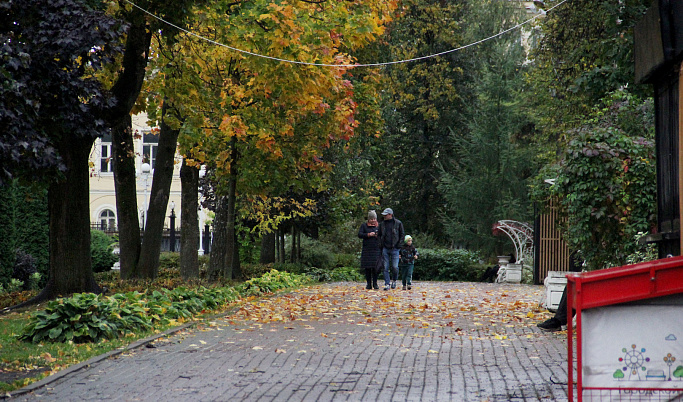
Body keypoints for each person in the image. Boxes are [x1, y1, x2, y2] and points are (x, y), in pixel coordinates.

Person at [377, 208, 404, 291]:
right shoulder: (382, 224)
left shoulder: (398, 223)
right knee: (385, 267)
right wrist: (380, 244)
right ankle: (387, 283)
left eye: (386, 215)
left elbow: (402, 234)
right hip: (385, 248)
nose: (384, 216)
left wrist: (399, 245)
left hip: (395, 248)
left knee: (395, 267)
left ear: (390, 214)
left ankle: (394, 280)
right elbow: (379, 235)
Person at [358, 210, 380, 290]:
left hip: (376, 249)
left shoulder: (379, 226)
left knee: (376, 267)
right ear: (368, 219)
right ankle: (368, 284)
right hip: (367, 249)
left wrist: (378, 235)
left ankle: (375, 283)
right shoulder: (364, 226)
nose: (373, 220)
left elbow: (383, 235)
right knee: (367, 268)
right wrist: (368, 235)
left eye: (374, 219)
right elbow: (359, 234)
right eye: (371, 219)